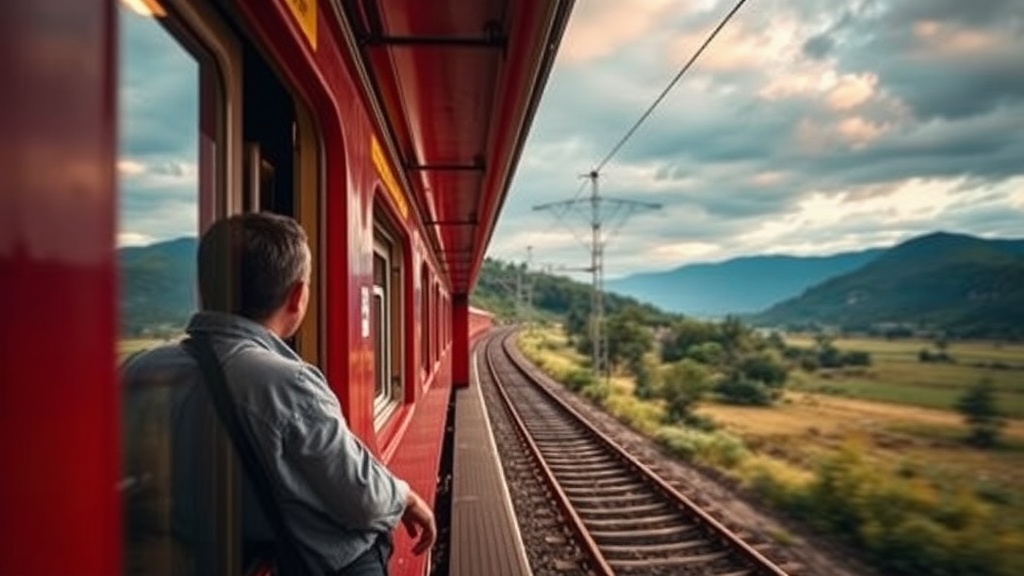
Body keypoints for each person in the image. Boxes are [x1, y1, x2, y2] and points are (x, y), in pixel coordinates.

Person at [122, 212, 435, 576]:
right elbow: (360, 496)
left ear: (202, 288)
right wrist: (406, 496)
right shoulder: (288, 383)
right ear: (298, 295)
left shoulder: (137, 370)